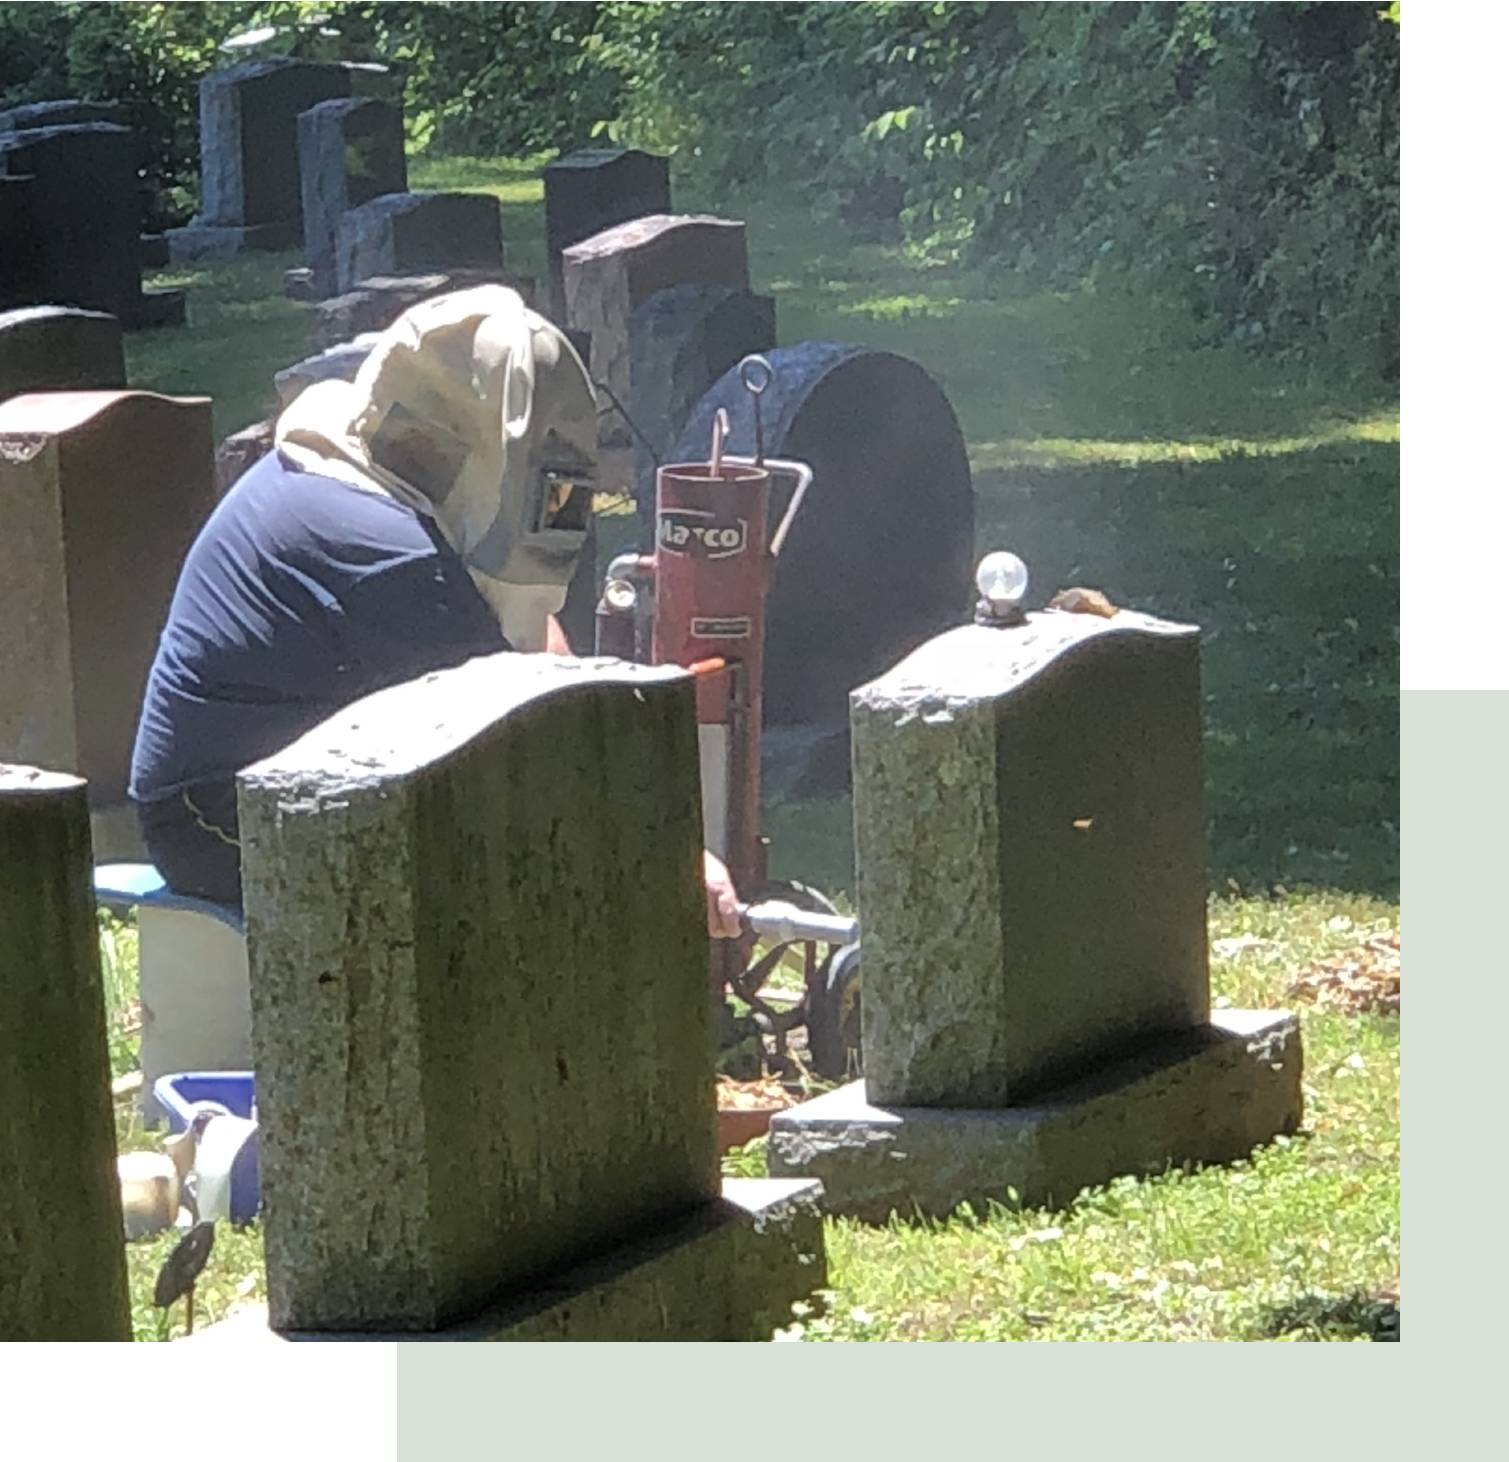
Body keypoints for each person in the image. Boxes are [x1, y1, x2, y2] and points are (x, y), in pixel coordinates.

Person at [129, 286, 741, 937]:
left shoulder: (369, 476)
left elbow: (532, 647)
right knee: (510, 859)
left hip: (263, 778)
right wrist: (666, 852)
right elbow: (525, 737)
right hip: (212, 816)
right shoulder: (375, 544)